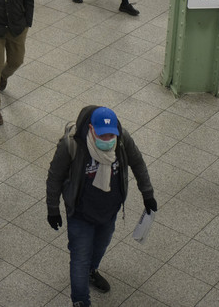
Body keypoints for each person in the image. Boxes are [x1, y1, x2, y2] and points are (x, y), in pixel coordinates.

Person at [46, 106, 156, 307]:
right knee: (79, 259)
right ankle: (80, 302)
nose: (107, 140)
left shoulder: (122, 139)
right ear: (91, 128)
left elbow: (138, 164)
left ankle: (92, 271)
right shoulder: (72, 144)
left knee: (100, 247)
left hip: (109, 211)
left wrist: (147, 194)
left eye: (110, 135)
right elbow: (54, 177)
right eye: (102, 135)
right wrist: (52, 209)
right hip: (80, 214)